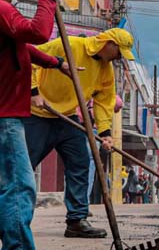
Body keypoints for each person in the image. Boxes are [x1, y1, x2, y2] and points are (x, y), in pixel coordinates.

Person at [0, 0, 71, 250]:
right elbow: (37, 33)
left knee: (8, 189)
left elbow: (24, 47)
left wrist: (56, 63)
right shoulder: (0, 8)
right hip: (5, 118)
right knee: (19, 188)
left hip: (7, 114)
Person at [28, 28, 135, 237]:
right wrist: (33, 92)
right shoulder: (69, 45)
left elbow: (104, 102)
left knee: (80, 163)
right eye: (119, 52)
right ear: (109, 44)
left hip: (68, 117)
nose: (119, 58)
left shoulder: (106, 70)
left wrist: (105, 133)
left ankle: (77, 220)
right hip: (37, 113)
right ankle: (9, 219)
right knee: (21, 167)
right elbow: (29, 58)